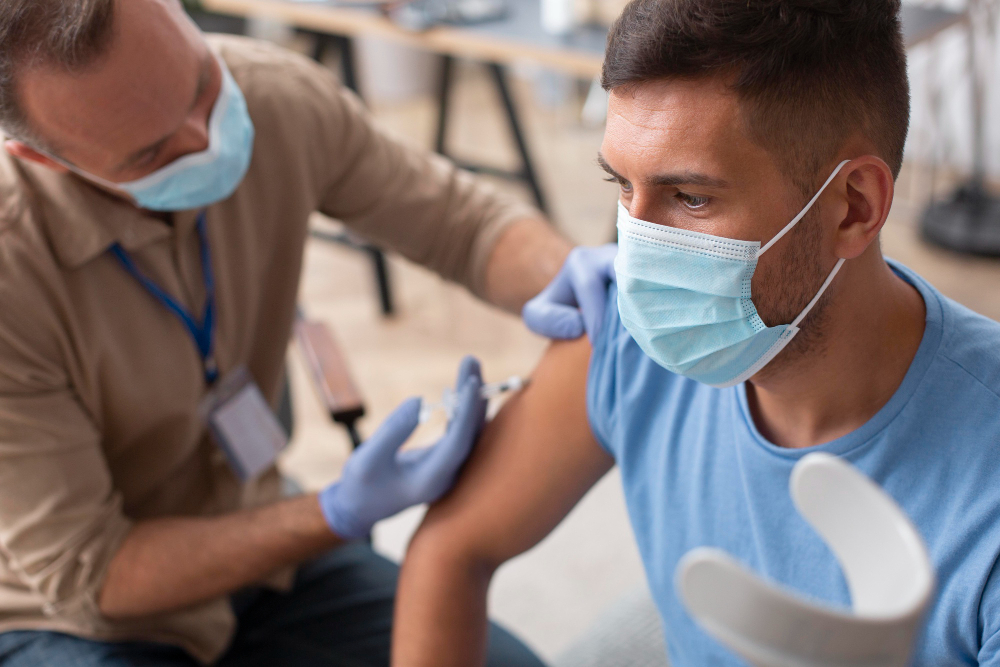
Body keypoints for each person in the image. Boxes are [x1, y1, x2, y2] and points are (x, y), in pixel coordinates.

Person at [0, 0, 616, 665]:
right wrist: (337, 511)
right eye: (152, 152)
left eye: (201, 86)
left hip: (263, 553)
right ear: (42, 158)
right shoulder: (13, 275)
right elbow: (92, 571)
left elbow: (462, 224)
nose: (205, 137)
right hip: (76, 618)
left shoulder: (272, 97)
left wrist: (576, 277)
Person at [393, 1, 1000, 665]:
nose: (637, 256)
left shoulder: (981, 495)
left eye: (690, 198)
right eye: (622, 186)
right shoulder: (628, 333)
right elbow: (452, 546)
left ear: (853, 206)